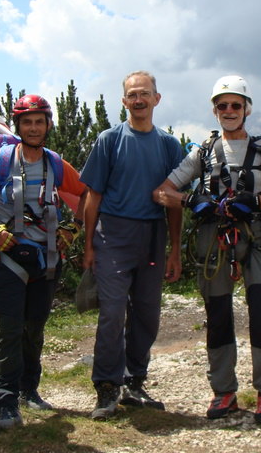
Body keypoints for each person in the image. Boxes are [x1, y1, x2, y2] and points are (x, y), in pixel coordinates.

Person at [153, 75, 261, 423]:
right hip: (214, 240)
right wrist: (192, 200)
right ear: (214, 110)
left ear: (247, 109)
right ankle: (224, 393)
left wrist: (256, 201)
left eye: (236, 104)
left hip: (257, 237)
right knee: (218, 315)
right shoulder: (203, 152)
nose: (229, 110)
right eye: (222, 105)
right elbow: (161, 192)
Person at [0, 94, 87, 435]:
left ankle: (28, 389)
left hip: (46, 259)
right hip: (6, 256)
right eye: (27, 122)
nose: (33, 128)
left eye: (39, 121)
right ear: (17, 125)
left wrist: (73, 228)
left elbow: (90, 194)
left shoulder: (56, 165)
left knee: (34, 326)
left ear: (48, 125)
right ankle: (5, 402)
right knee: (8, 327)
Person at [80, 70, 185, 420]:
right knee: (112, 313)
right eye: (132, 95)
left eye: (145, 94)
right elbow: (92, 196)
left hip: (153, 236)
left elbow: (174, 203)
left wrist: (174, 249)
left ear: (157, 98)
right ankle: (107, 386)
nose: (139, 100)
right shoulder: (109, 140)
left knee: (147, 313)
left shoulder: (170, 145)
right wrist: (89, 245)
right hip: (114, 235)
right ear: (124, 101)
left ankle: (135, 380)